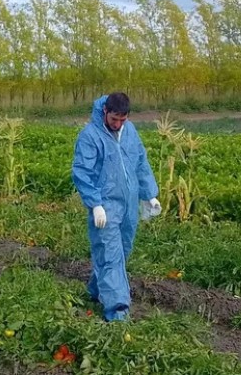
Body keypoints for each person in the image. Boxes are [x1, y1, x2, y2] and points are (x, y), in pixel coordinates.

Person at [71, 92, 161, 321]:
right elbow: (82, 172)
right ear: (105, 111)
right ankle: (118, 311)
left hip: (129, 204)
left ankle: (96, 290)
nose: (118, 124)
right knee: (110, 254)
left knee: (121, 251)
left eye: (123, 119)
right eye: (114, 119)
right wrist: (95, 204)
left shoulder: (129, 131)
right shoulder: (90, 136)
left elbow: (140, 162)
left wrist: (149, 195)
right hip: (106, 206)